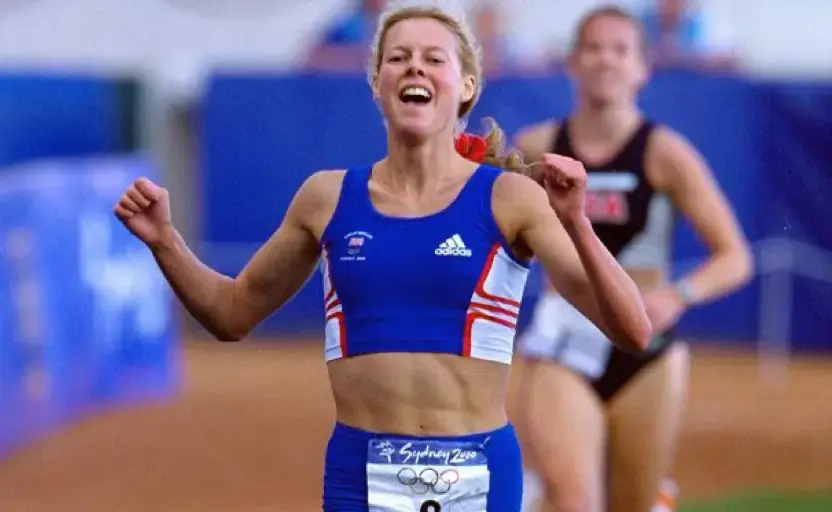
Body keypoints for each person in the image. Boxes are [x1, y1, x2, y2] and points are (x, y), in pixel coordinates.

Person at [114, 4, 652, 511]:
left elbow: (632, 330)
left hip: (479, 474)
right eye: (398, 57)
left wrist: (577, 221)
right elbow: (231, 313)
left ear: (465, 87)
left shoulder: (510, 198)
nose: (414, 66)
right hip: (359, 476)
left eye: (433, 58)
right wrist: (164, 239)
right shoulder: (325, 198)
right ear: (377, 83)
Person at [512, 5, 753, 512]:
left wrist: (678, 294)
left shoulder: (665, 153)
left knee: (632, 505)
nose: (605, 60)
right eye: (592, 48)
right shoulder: (535, 148)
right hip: (563, 342)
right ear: (572, 62)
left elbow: (734, 256)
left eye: (620, 49)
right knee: (575, 500)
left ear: (642, 67)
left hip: (648, 352)